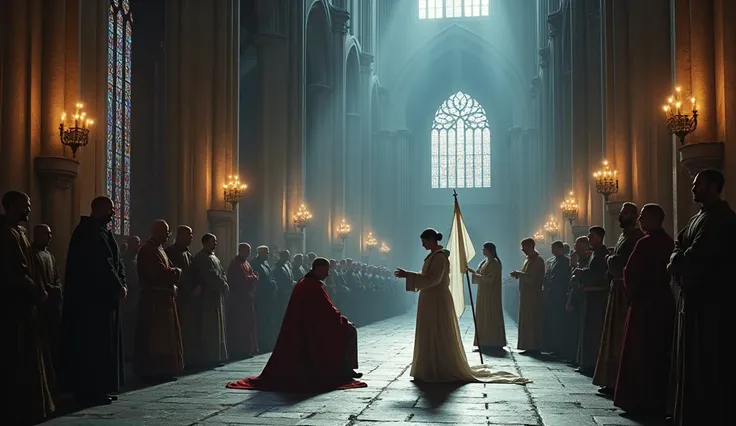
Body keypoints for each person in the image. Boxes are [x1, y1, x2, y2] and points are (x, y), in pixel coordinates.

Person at [394, 229, 529, 384]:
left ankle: (437, 366)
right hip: (430, 299)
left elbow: (433, 279)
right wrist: (412, 276)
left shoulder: (439, 257)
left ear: (431, 239)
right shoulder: (433, 256)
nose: (422, 244)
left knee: (436, 330)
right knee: (429, 331)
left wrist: (409, 276)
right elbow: (426, 276)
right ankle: (429, 365)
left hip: (436, 299)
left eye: (424, 241)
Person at [226, 258, 365, 392]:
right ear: (318, 269)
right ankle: (343, 370)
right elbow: (326, 309)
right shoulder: (311, 284)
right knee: (349, 331)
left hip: (313, 324)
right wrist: (342, 320)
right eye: (326, 270)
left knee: (348, 329)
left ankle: (344, 369)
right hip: (312, 327)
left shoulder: (309, 282)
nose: (328, 274)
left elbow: (324, 309)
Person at [667, 169, 736, 426]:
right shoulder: (700, 217)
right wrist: (678, 256)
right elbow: (679, 242)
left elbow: (695, 256)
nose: (693, 189)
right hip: (694, 299)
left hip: (713, 302)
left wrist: (677, 260)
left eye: (698, 185)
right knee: (691, 357)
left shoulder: (720, 219)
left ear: (714, 186)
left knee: (708, 360)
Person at [62, 196, 126, 406]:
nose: (113, 213)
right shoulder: (88, 232)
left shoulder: (101, 232)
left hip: (103, 301)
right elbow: (102, 265)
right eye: (110, 209)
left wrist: (121, 282)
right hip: (91, 303)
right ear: (98, 209)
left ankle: (100, 388)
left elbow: (117, 262)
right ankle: (90, 391)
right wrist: (117, 286)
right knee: (93, 347)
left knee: (104, 346)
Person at [613, 204, 674, 415]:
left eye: (643, 217)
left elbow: (630, 272)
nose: (640, 220)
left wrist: (632, 295)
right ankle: (657, 400)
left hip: (644, 304)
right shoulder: (668, 242)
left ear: (654, 219)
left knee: (638, 352)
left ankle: (637, 400)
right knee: (659, 352)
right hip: (664, 303)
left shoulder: (645, 243)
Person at [0, 191, 55, 424]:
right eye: (25, 205)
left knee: (32, 357)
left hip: (28, 304)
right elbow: (17, 272)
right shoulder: (6, 234)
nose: (29, 209)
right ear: (12, 206)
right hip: (15, 306)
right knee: (18, 358)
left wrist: (41, 289)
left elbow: (31, 269)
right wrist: (37, 291)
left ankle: (33, 407)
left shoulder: (19, 232)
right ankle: (18, 409)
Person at [593, 202, 643, 395]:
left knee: (618, 335)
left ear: (632, 214)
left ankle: (617, 381)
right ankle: (611, 379)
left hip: (624, 289)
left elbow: (619, 261)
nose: (619, 217)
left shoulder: (635, 236)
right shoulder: (625, 236)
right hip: (617, 288)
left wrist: (609, 259)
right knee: (612, 335)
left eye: (622, 213)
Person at [134, 220, 184, 381]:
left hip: (163, 299)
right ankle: (154, 370)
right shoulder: (148, 250)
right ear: (157, 231)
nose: (168, 235)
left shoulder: (158, 249)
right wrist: (176, 272)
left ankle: (164, 369)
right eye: (166, 231)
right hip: (154, 301)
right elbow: (158, 273)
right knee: (156, 337)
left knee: (166, 336)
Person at [31, 224, 64, 392]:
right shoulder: (31, 254)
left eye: (50, 234)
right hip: (40, 305)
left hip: (52, 306)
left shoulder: (50, 256)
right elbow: (34, 277)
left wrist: (56, 288)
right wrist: (46, 289)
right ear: (36, 234)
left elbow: (56, 277)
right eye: (46, 234)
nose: (49, 237)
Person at [572, 226, 609, 376]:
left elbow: (599, 274)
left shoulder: (602, 254)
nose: (589, 239)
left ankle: (591, 363)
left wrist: (583, 272)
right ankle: (586, 362)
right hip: (590, 296)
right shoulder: (595, 254)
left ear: (599, 238)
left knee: (593, 331)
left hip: (597, 298)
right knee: (586, 330)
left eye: (592, 236)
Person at [191, 233, 229, 366]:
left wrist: (223, 280)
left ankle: (217, 356)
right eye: (213, 241)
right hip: (208, 297)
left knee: (217, 327)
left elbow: (222, 272)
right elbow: (209, 275)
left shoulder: (214, 257)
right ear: (206, 242)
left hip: (216, 296)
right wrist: (221, 282)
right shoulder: (202, 257)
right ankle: (209, 357)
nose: (216, 243)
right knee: (210, 327)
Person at [467, 242, 507, 352]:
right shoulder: (484, 262)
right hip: (483, 293)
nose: (482, 251)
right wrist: (471, 271)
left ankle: (494, 342)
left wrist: (477, 276)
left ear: (489, 250)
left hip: (491, 295)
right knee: (482, 316)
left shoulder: (495, 264)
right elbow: (480, 274)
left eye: (484, 249)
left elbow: (490, 280)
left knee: (490, 316)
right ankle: (483, 342)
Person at [511, 238, 545, 355]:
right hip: (526, 295)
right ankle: (528, 345)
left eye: (524, 247)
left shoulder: (538, 260)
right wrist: (519, 275)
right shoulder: (528, 260)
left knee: (532, 321)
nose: (522, 249)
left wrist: (520, 274)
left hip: (533, 295)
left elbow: (532, 278)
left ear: (530, 246)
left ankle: (534, 346)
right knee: (526, 321)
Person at [226, 243, 259, 359]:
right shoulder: (235, 263)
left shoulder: (246, 263)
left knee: (248, 324)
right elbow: (240, 280)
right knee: (240, 325)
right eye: (247, 250)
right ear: (241, 250)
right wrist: (254, 277)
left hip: (247, 298)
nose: (249, 253)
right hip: (239, 300)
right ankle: (239, 350)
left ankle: (247, 349)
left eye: (250, 251)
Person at [542, 240, 571, 356]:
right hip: (552, 294)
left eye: (554, 248)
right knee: (551, 320)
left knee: (558, 321)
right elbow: (547, 274)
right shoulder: (553, 261)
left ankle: (558, 347)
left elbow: (559, 278)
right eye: (551, 248)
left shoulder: (564, 261)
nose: (552, 250)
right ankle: (552, 345)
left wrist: (549, 283)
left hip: (559, 295)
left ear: (560, 249)